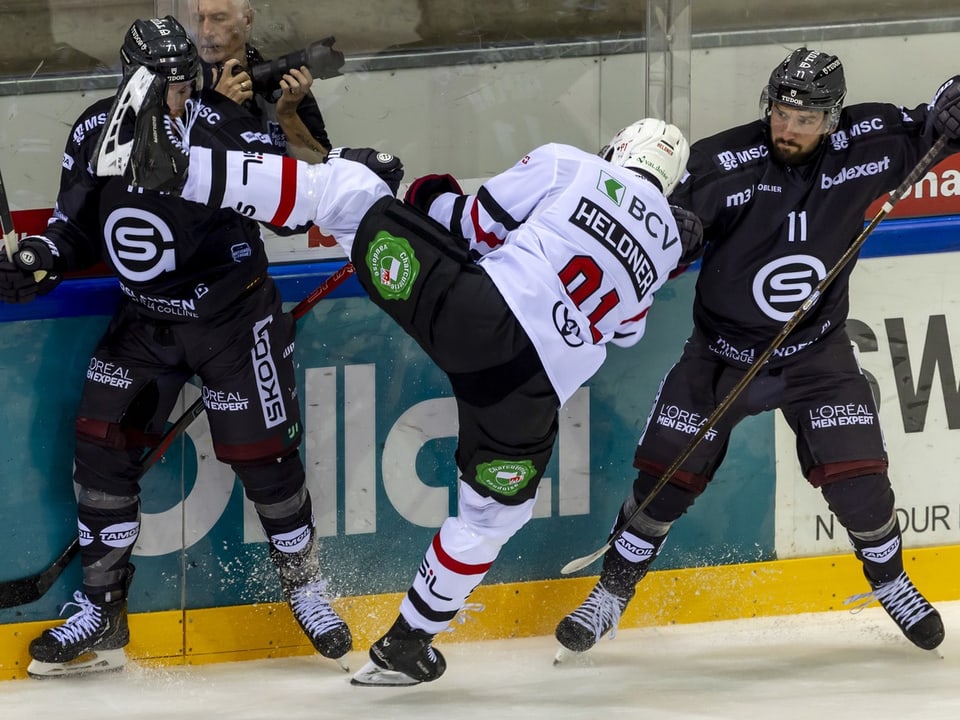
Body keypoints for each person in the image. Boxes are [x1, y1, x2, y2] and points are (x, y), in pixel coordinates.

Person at [103, 67, 706, 684]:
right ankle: (408, 643)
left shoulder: (571, 164)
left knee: (351, 191)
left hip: (482, 317)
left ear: (618, 149)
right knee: (492, 518)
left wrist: (422, 197)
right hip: (532, 391)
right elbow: (626, 331)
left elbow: (472, 225)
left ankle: (177, 169)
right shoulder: (664, 250)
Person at [555, 48, 960, 657]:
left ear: (833, 117)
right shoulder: (721, 164)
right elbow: (656, 226)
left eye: (805, 118)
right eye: (780, 111)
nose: (788, 127)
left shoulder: (870, 142)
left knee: (861, 486)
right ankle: (610, 593)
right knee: (666, 476)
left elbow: (936, 119)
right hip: (719, 357)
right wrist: (673, 234)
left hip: (816, 356)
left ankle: (892, 581)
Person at [0, 17, 353, 678]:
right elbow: (70, 228)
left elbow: (294, 211)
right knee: (101, 447)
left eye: (181, 79)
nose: (175, 94)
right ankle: (103, 608)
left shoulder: (227, 127)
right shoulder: (92, 131)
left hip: (233, 318)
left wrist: (287, 132)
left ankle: (306, 588)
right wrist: (39, 261)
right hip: (145, 324)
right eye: (160, 81)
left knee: (264, 458)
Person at [191, 0, 333, 163]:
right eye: (199, 19)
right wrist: (219, 111)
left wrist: (288, 117)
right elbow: (176, 172)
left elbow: (324, 166)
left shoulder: (278, 78)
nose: (206, 31)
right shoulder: (184, 85)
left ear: (247, 20)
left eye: (218, 18)